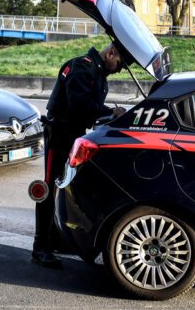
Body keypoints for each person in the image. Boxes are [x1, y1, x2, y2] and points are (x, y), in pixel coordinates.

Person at [32, 41, 127, 268]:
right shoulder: (82, 68)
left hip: (72, 134)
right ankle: (40, 247)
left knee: (64, 187)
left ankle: (53, 239)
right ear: (110, 53)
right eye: (119, 63)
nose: (119, 69)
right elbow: (80, 107)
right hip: (59, 134)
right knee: (49, 188)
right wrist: (110, 112)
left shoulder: (95, 70)